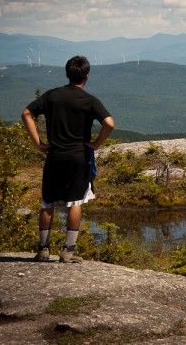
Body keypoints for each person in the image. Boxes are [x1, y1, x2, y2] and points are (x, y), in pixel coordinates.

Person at [21, 55, 114, 263]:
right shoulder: (89, 100)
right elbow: (109, 123)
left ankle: (43, 250)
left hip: (54, 156)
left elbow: (26, 114)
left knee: (48, 203)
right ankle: (67, 252)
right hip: (77, 158)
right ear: (86, 76)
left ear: (67, 74)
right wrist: (96, 144)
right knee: (75, 202)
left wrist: (38, 143)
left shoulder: (52, 96)